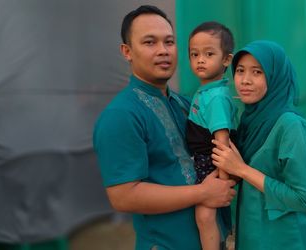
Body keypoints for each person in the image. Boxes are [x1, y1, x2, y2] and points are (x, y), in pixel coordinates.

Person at [93, 5, 236, 250]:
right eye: (150, 42)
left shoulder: (185, 104)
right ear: (127, 51)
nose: (163, 51)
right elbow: (123, 196)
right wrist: (203, 194)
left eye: (169, 42)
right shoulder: (121, 116)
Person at [211, 40, 306, 250]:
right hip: (251, 236)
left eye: (257, 72)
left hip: (283, 240)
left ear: (275, 77)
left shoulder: (291, 125)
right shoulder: (249, 121)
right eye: (240, 71)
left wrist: (241, 169)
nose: (245, 80)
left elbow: (303, 197)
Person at [185, 21, 237, 250]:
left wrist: (223, 182)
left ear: (226, 60)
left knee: (205, 217)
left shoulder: (216, 97)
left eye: (208, 54)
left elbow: (222, 141)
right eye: (194, 54)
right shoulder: (207, 90)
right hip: (204, 162)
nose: (200, 60)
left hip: (212, 163)